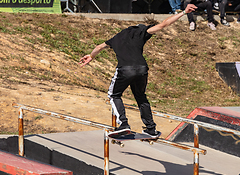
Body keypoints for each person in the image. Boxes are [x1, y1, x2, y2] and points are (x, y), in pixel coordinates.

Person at [79, 4, 197, 137]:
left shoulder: (117, 37)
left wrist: (91, 56)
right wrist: (183, 12)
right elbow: (163, 24)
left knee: (114, 95)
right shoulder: (140, 32)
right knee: (141, 96)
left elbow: (99, 47)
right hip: (142, 69)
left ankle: (123, 124)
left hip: (125, 69)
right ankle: (151, 129)